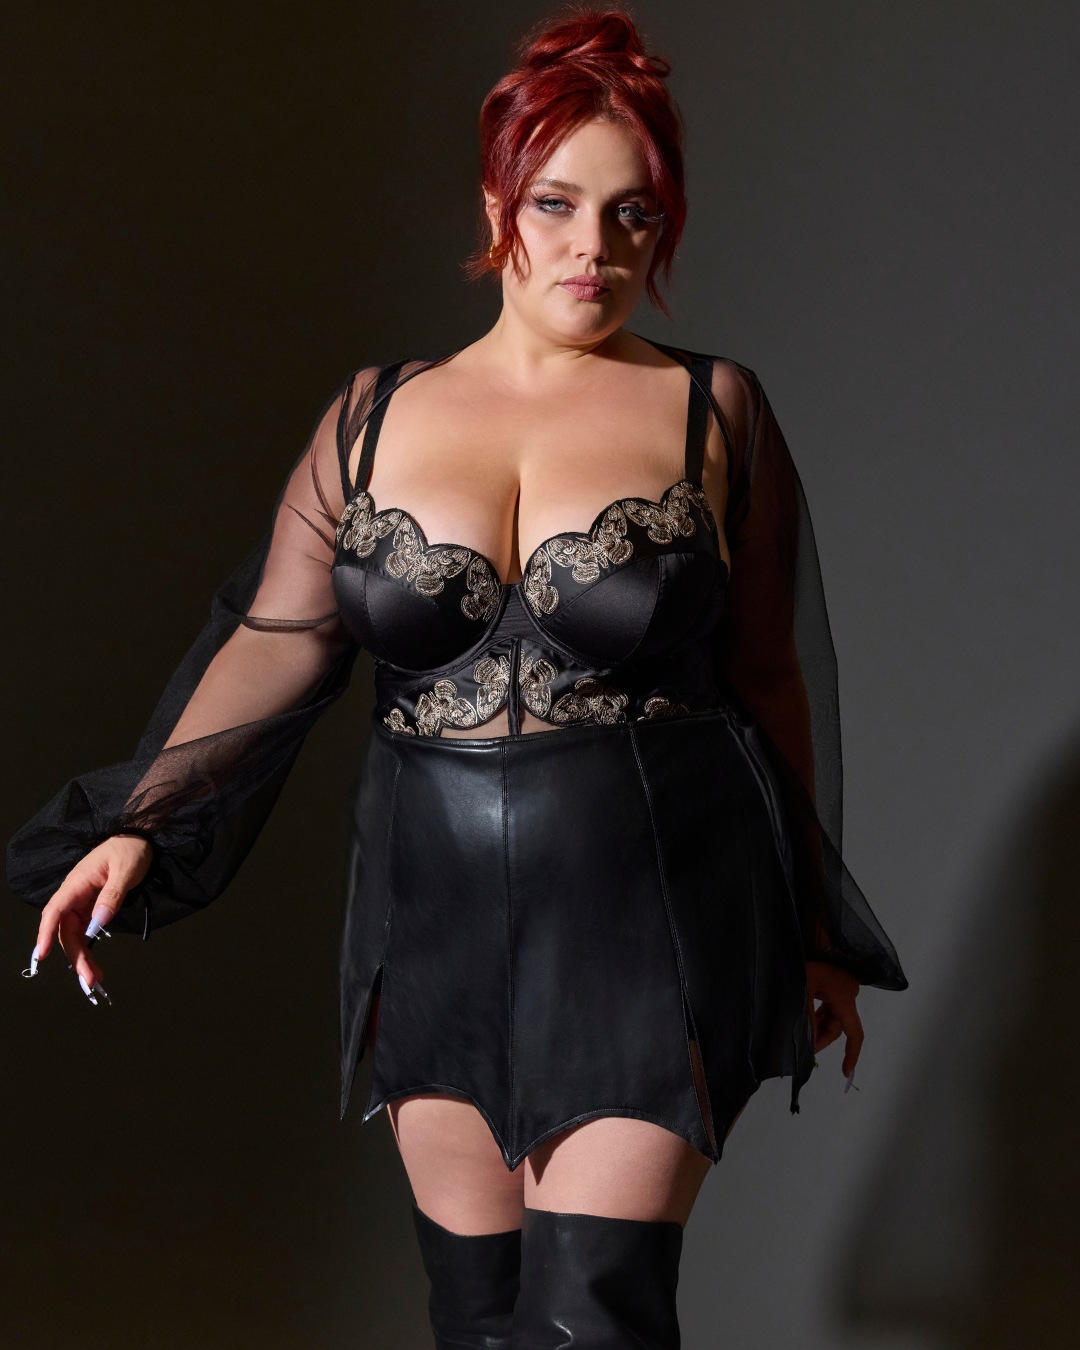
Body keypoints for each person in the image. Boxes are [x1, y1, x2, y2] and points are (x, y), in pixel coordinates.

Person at [8, 9, 906, 1347]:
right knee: (478, 1320)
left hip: (652, 916)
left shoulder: (713, 408)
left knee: (595, 1316)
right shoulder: (372, 414)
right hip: (430, 918)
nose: (596, 246)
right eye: (558, 204)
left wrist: (819, 929)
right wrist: (145, 817)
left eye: (635, 213)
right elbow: (277, 639)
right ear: (498, 205)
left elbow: (771, 673)